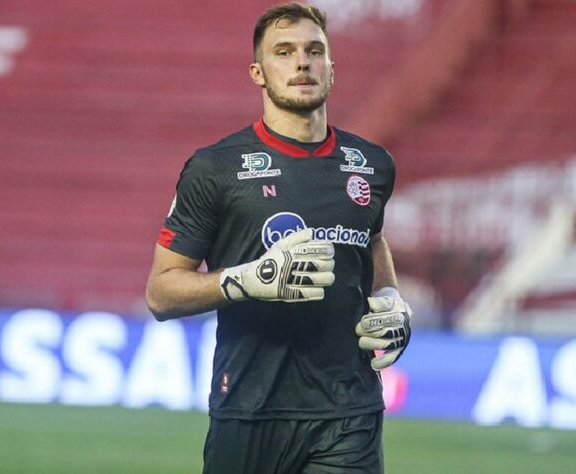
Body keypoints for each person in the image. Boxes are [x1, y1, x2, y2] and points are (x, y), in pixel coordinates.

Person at [146, 3, 412, 473]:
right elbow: (161, 292)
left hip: (349, 412)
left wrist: (390, 297)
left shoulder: (372, 164)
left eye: (314, 51)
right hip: (249, 409)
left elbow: (371, 240)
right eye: (284, 52)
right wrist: (246, 280)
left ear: (332, 68)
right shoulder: (214, 169)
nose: (302, 63)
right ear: (258, 72)